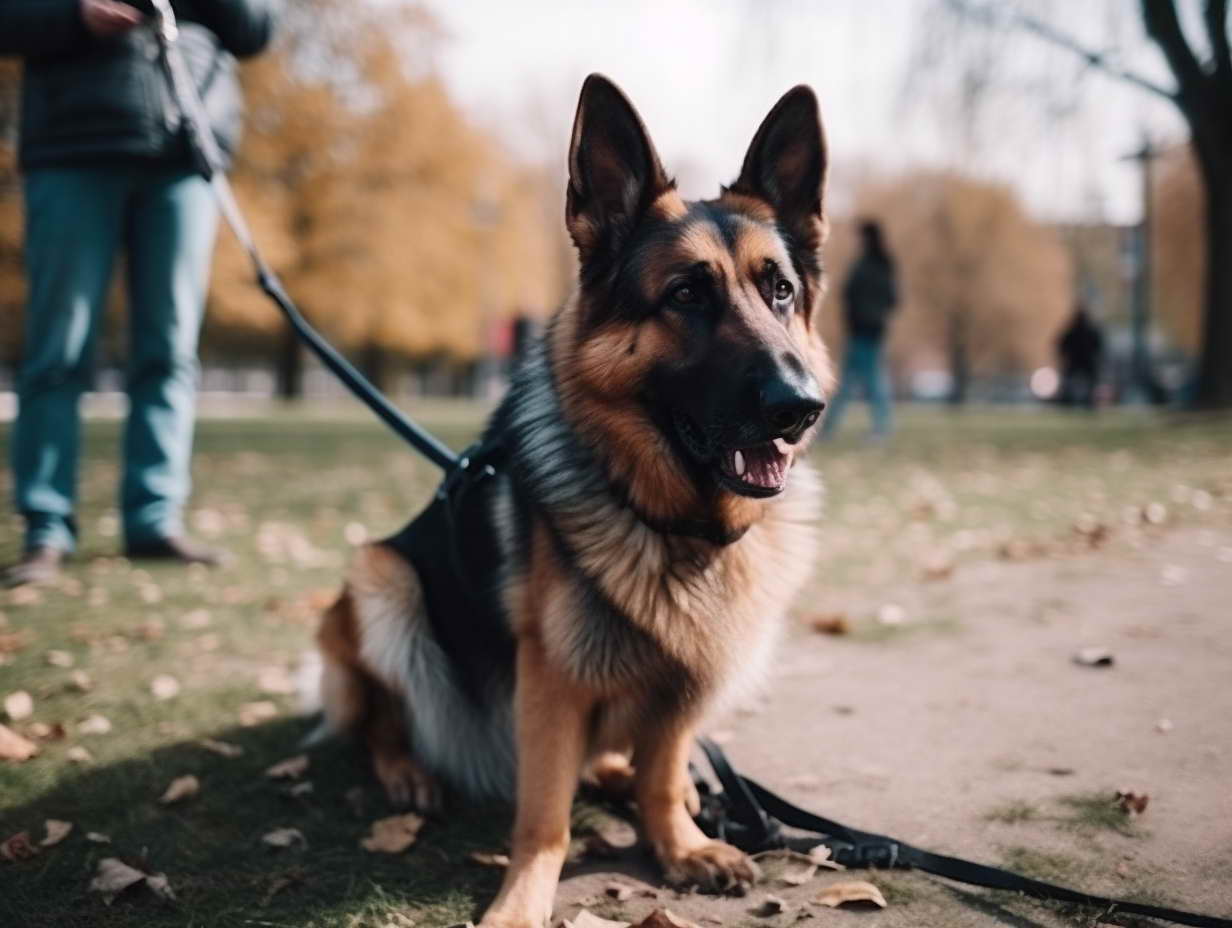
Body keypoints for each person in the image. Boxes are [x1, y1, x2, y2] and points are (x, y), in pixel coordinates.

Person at [1, 0, 277, 587]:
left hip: (184, 148)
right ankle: (45, 526)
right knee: (58, 349)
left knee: (171, 349)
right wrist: (74, 16)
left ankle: (154, 517)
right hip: (72, 146)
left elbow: (257, 28)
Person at [821, 219, 898, 439]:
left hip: (868, 332)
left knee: (870, 384)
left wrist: (869, 314)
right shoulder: (872, 263)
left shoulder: (875, 265)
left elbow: (889, 298)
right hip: (861, 331)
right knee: (850, 384)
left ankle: (880, 429)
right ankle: (831, 429)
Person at [1056, 304, 1103, 408]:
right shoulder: (1077, 332)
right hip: (1078, 361)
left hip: (1083, 361)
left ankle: (1085, 402)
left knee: (1089, 382)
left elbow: (1061, 345)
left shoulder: (1082, 331)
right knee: (1069, 382)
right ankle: (1067, 401)